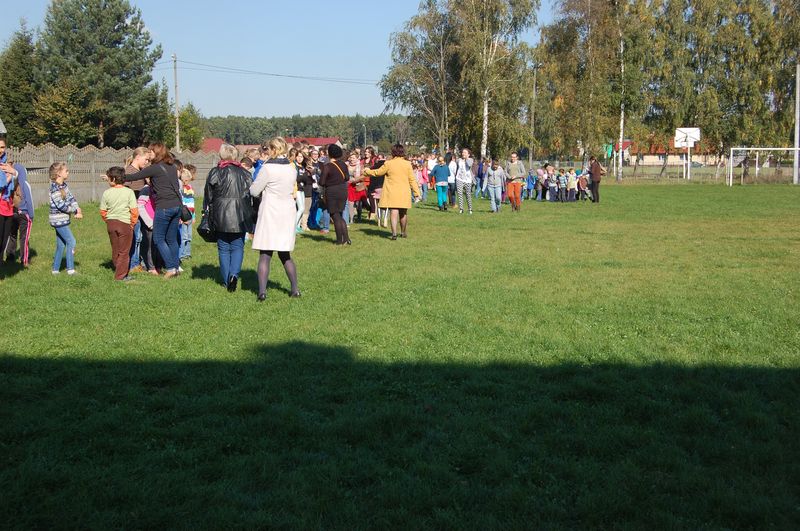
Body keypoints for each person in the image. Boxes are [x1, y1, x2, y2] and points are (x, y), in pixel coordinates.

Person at [249, 137, 300, 301]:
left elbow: (254, 191)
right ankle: (294, 289)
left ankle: (262, 292)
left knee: (265, 253)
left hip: (271, 211)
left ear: (273, 149)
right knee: (285, 254)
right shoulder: (291, 169)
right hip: (287, 211)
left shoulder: (267, 168)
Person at [124, 143, 182, 278]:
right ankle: (176, 268)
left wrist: (114, 176)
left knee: (158, 239)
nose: (149, 154)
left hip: (164, 207)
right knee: (171, 239)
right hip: (177, 206)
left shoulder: (155, 168)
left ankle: (170, 268)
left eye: (151, 151)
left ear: (156, 152)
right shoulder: (172, 167)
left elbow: (133, 177)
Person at [204, 143, 255, 291]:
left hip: (220, 213)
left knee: (223, 248)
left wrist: (206, 211)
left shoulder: (215, 172)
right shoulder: (245, 173)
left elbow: (208, 195)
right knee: (238, 246)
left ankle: (227, 280)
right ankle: (234, 275)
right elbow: (252, 195)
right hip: (241, 213)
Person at [362, 143, 421, 240]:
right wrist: (416, 193)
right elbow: (412, 180)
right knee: (403, 213)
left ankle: (394, 234)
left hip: (392, 191)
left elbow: (377, 173)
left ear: (393, 152)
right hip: (404, 192)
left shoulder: (388, 163)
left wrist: (367, 171)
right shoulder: (407, 164)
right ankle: (403, 232)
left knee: (393, 212)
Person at [100, 167, 138, 281]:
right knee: (124, 251)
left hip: (111, 223)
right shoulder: (129, 192)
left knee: (115, 248)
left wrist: (108, 220)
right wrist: (132, 224)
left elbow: (102, 211)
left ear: (113, 179)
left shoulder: (106, 192)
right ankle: (120, 276)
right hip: (124, 223)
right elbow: (134, 211)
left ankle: (118, 268)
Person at [48, 162, 82, 274]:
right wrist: (73, 210)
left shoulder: (64, 185)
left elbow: (71, 198)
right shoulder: (54, 188)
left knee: (61, 245)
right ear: (58, 173)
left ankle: (55, 270)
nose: (68, 172)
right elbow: (61, 206)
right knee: (71, 241)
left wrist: (78, 209)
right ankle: (70, 269)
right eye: (66, 170)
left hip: (63, 220)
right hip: (58, 220)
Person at [124, 146, 151, 272]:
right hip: (132, 210)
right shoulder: (130, 171)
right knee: (135, 237)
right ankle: (133, 264)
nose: (147, 162)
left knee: (139, 237)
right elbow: (124, 190)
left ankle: (137, 262)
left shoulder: (140, 171)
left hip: (139, 209)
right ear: (138, 157)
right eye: (146, 159)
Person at [318, 144, 350, 245]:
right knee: (340, 214)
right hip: (343, 190)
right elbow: (347, 178)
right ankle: (346, 238)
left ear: (329, 154)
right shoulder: (344, 165)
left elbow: (322, 182)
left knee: (335, 215)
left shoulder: (327, 166)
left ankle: (340, 240)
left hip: (332, 192)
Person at [179, 168, 196, 260]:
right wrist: (181, 218)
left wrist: (193, 216)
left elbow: (192, 204)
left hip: (190, 215)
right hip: (183, 216)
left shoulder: (191, 188)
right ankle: (181, 255)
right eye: (183, 180)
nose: (185, 182)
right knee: (183, 237)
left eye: (187, 180)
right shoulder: (181, 190)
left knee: (189, 237)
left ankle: (187, 254)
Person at [454, 148, 475, 214]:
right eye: (463, 152)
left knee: (468, 194)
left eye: (465, 152)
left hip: (468, 180)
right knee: (460, 194)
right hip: (459, 179)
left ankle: (470, 209)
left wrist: (466, 158)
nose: (463, 154)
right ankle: (461, 209)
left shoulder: (471, 160)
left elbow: (469, 165)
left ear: (468, 154)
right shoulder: (459, 160)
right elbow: (457, 168)